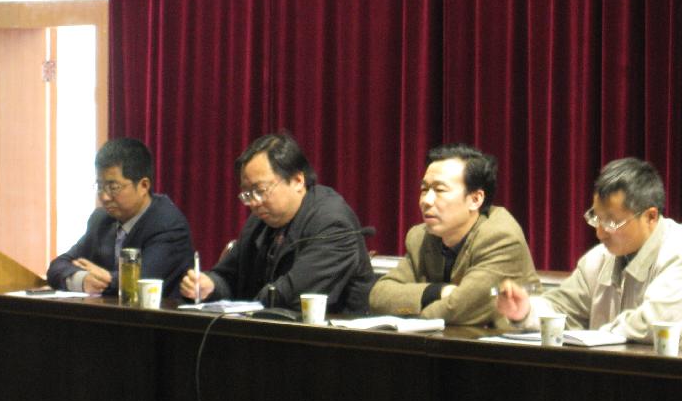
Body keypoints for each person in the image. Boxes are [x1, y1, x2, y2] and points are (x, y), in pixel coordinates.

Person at [496, 158, 682, 353]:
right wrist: (525, 311)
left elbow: (654, 324)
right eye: (596, 218)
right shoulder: (599, 259)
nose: (600, 232)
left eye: (612, 222)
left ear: (650, 216)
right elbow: (563, 309)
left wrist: (595, 335)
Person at [179, 133, 374, 312]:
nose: (254, 203)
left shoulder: (333, 223)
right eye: (247, 193)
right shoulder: (259, 222)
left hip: (331, 335)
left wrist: (243, 304)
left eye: (260, 190)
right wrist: (210, 286)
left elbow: (292, 296)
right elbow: (230, 277)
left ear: (297, 180)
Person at [368, 143, 537, 326]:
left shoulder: (500, 237)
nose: (426, 200)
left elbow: (460, 308)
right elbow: (379, 297)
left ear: (475, 199)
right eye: (424, 189)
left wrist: (410, 313)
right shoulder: (420, 237)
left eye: (440, 190)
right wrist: (437, 292)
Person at [47, 138, 193, 297]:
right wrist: (82, 279)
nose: (104, 197)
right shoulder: (101, 219)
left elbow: (140, 282)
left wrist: (108, 279)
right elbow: (57, 267)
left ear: (143, 186)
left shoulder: (168, 224)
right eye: (100, 186)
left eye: (113, 187)